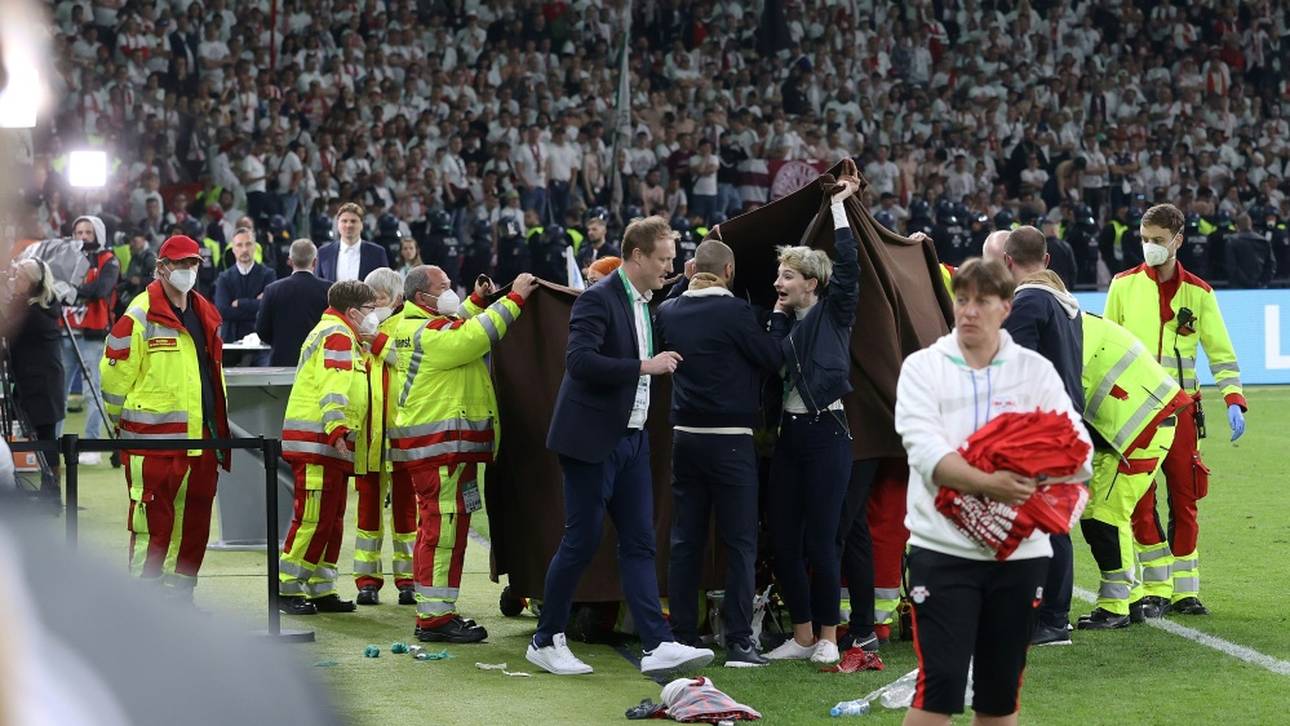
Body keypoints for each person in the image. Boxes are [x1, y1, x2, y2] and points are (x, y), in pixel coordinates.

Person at [895, 258, 1092, 726]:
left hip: (1020, 556)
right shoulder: (924, 368)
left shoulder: (1035, 372)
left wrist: (1031, 471)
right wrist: (992, 480)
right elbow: (925, 454)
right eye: (962, 300)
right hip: (941, 550)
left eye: (982, 302)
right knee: (937, 689)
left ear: (1006, 307)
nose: (969, 311)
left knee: (999, 694)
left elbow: (1078, 453)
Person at [528, 215, 714, 677]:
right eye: (664, 260)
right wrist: (643, 366)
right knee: (582, 540)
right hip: (590, 440)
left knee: (639, 542)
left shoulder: (645, 300)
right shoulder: (598, 298)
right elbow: (580, 361)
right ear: (637, 256)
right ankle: (545, 638)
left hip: (632, 439)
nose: (669, 268)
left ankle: (656, 643)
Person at [1104, 203, 1247, 615]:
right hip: (1136, 413)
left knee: (1185, 499)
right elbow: (1106, 350)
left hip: (1183, 410)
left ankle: (1186, 591)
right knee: (1141, 501)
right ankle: (1156, 588)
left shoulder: (1199, 293)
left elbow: (1220, 353)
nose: (1149, 247)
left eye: (1158, 241)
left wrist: (1234, 398)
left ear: (1178, 241)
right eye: (1145, 240)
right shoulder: (1123, 286)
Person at [390, 266, 538, 641]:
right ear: (423, 297)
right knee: (441, 533)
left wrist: (475, 300)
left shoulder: (412, 326)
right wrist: (515, 297)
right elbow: (474, 336)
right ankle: (435, 618)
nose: (449, 292)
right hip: (441, 449)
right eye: (443, 288)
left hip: (440, 449)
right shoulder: (429, 332)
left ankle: (437, 611)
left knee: (442, 531)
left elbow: (458, 325)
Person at [656, 241, 783, 667]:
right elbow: (771, 357)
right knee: (740, 542)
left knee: (685, 541)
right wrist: (779, 320)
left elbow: (663, 314)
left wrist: (682, 283)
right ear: (729, 270)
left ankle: (683, 636)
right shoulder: (736, 312)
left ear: (693, 268)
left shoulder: (671, 311)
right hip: (730, 439)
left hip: (685, 437)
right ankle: (740, 642)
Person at [763, 167, 862, 665]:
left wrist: (841, 206)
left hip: (829, 433)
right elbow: (773, 361)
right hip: (791, 437)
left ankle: (828, 636)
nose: (777, 282)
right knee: (783, 538)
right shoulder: (779, 320)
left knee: (823, 541)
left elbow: (849, 264)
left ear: (811, 284)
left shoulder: (835, 310)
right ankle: (802, 635)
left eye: (786, 276)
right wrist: (778, 317)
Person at [100, 235, 232, 598]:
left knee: (194, 527)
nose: (188, 270)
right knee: (151, 528)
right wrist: (120, 425)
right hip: (151, 443)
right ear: (161, 268)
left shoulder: (205, 311)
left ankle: (180, 602)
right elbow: (113, 378)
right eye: (181, 264)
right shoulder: (139, 315)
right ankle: (144, 607)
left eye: (193, 264)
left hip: (201, 439)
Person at [984, 226, 1085, 646]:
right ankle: (1048, 615)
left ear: (1007, 261)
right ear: (1045, 260)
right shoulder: (1064, 302)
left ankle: (1052, 620)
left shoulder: (1029, 303)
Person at [1077, 303, 1191, 628]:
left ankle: (1116, 607)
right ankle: (1131, 599)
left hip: (1138, 426)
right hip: (1139, 423)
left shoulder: (1059, 330)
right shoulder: (1075, 321)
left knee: (1103, 516)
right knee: (1107, 513)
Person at [277, 280, 378, 615]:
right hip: (319, 440)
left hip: (326, 442)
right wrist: (336, 428)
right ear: (353, 312)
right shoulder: (336, 335)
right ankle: (286, 588)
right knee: (314, 517)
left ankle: (321, 588)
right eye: (369, 310)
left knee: (330, 519)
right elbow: (332, 386)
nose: (373, 315)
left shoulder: (340, 333)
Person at [351, 268, 416, 606]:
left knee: (406, 510)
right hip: (369, 435)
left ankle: (409, 579)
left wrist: (374, 340)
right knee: (368, 512)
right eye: (371, 298)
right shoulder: (358, 327)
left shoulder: (407, 327)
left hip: (402, 432)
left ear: (397, 299)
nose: (375, 304)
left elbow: (405, 360)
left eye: (381, 298)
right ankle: (367, 581)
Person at [7, 259, 66, 503]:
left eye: (19, 276)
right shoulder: (43, 305)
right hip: (36, 380)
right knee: (45, 436)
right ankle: (50, 492)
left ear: (32, 282)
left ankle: (51, 494)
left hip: (40, 382)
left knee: (46, 437)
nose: (14, 280)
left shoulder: (33, 313)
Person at [64, 215, 119, 465]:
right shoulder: (65, 258)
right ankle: (51, 446)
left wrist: (72, 291)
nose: (83, 236)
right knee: (57, 393)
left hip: (93, 335)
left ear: (98, 233)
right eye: (78, 232)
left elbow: (102, 289)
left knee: (93, 393)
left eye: (88, 232)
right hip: (64, 332)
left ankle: (93, 445)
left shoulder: (109, 260)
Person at [256, 239, 332, 367]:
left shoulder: (272, 290)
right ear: (315, 261)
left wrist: (278, 342)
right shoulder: (328, 289)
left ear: (290, 261)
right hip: (317, 362)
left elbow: (262, 330)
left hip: (281, 362)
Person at [213, 230, 276, 364]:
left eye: (248, 244)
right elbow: (222, 311)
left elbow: (270, 308)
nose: (244, 249)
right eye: (239, 245)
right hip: (231, 343)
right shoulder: (224, 278)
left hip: (261, 344)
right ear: (233, 249)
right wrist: (256, 305)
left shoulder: (268, 275)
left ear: (255, 247)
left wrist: (240, 303)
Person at [317, 202, 390, 282]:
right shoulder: (324, 253)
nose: (348, 225)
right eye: (344, 221)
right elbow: (318, 286)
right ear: (338, 224)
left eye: (353, 221)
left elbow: (385, 286)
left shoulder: (377, 253)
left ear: (362, 224)